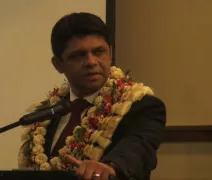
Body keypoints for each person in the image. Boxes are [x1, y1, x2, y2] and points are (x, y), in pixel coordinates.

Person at [18, 12, 166, 180]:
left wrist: (109, 167)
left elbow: (139, 147)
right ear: (58, 64)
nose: (91, 62)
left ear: (110, 53)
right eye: (79, 55)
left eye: (99, 52)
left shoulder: (142, 106)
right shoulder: (47, 114)